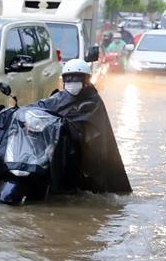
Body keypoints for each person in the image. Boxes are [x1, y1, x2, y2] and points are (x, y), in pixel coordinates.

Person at [34, 59, 132, 194]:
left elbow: (92, 129)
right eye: (68, 78)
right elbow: (41, 107)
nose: (72, 82)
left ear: (86, 80)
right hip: (57, 146)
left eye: (76, 78)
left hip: (82, 150)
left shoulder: (93, 101)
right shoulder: (59, 97)